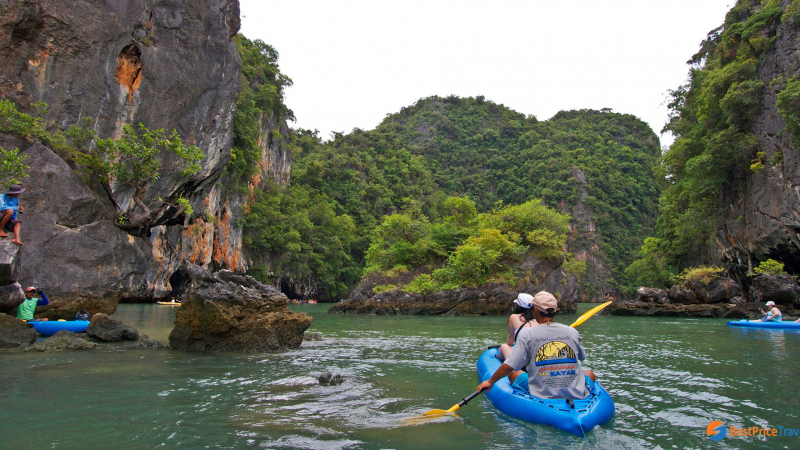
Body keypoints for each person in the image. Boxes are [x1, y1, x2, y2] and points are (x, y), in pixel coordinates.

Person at [477, 291, 596, 400]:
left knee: (514, 374)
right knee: (589, 373)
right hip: (575, 391)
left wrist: (490, 381)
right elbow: (581, 357)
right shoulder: (572, 332)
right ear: (555, 310)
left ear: (536, 311)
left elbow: (509, 366)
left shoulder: (528, 335)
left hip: (542, 391)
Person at [496, 293, 537, 362]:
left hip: (522, 359)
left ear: (519, 306)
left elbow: (510, 340)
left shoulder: (514, 317)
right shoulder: (538, 319)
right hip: (537, 356)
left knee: (504, 346)